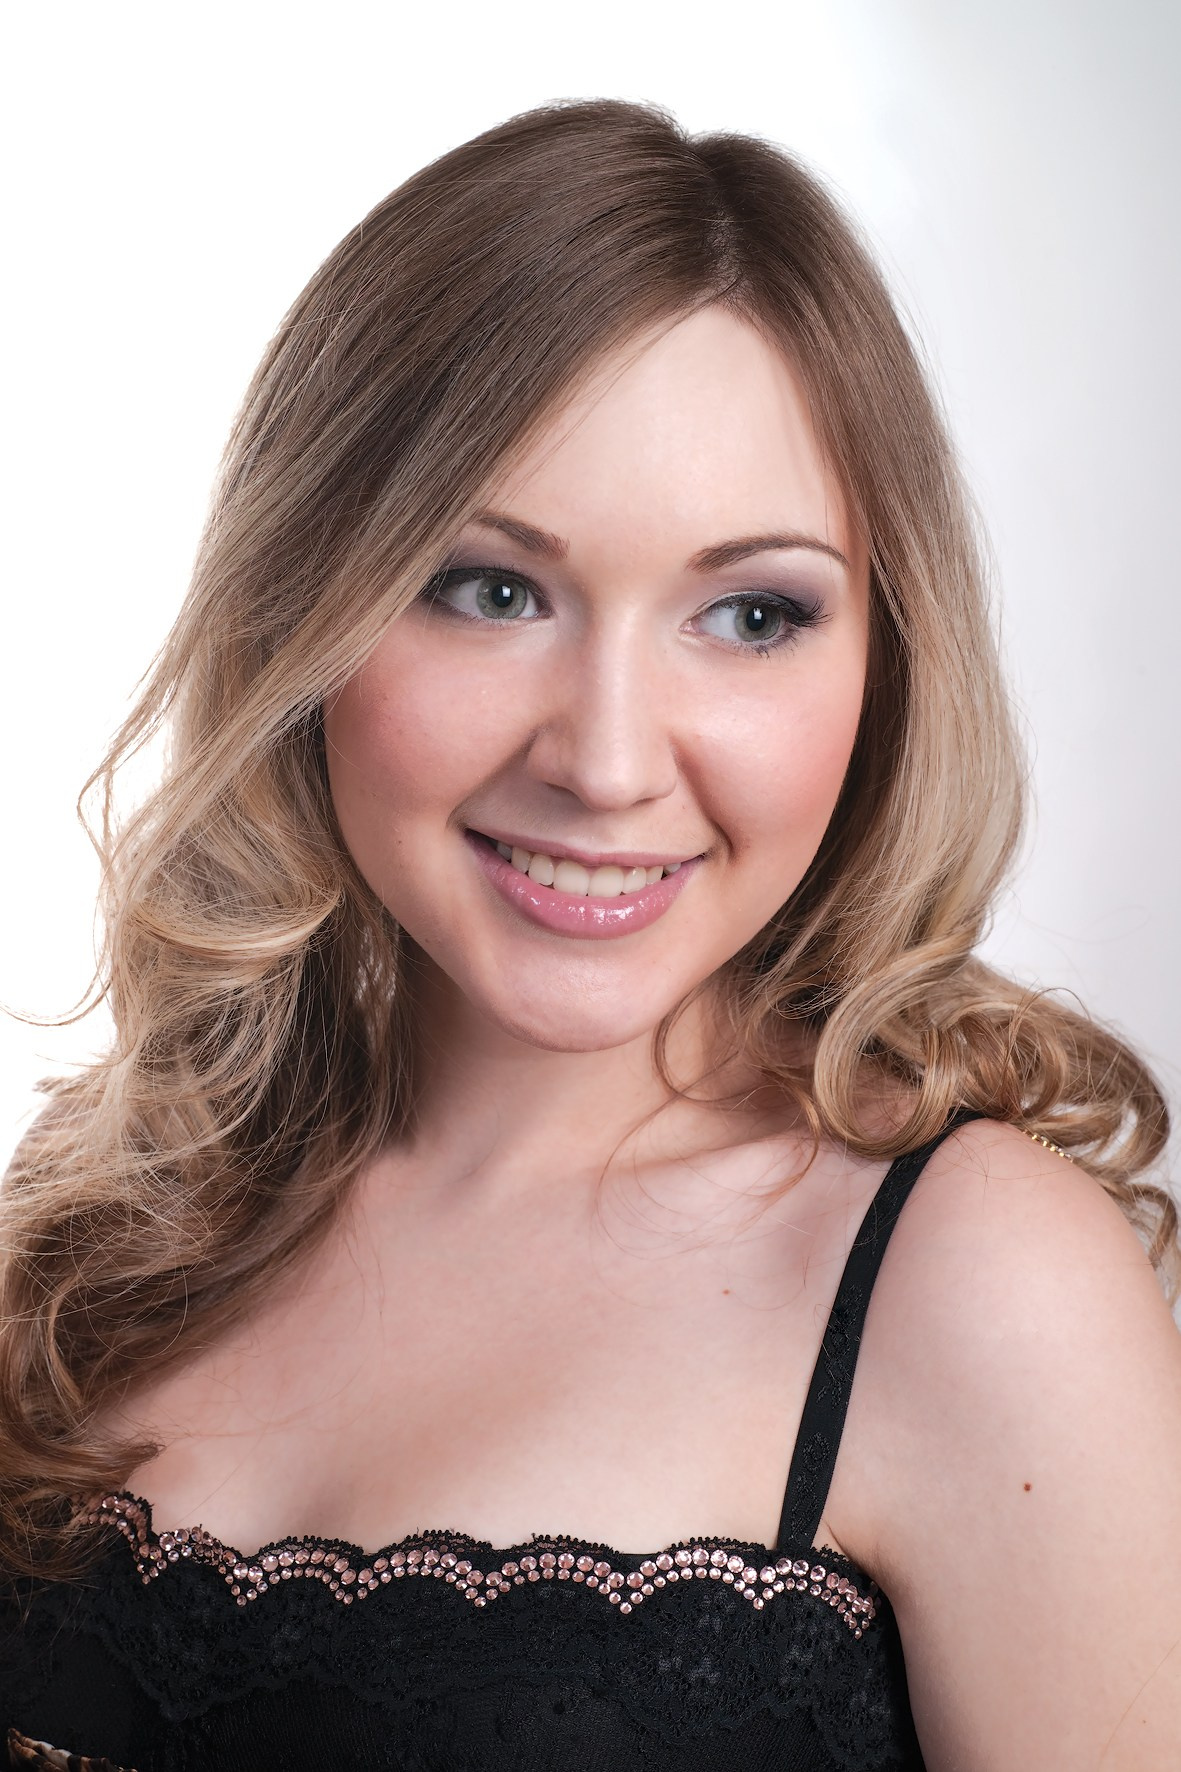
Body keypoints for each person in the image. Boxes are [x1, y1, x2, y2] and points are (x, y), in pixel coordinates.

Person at [1, 97, 1179, 1772]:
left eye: (749, 614)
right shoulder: (111, 1226)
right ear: (303, 609)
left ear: (884, 661)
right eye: (491, 589)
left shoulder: (973, 1283)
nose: (607, 761)